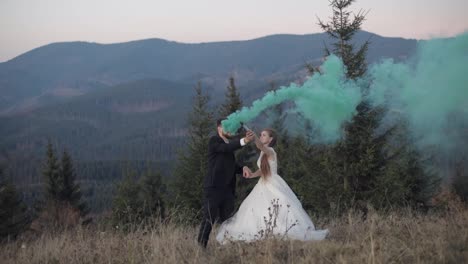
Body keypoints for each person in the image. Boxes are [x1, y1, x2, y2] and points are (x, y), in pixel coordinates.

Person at [216, 128, 329, 243]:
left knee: (279, 206)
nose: (261, 136)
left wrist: (254, 137)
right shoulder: (263, 153)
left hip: (273, 183)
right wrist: (252, 175)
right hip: (263, 182)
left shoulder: (270, 151)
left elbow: (260, 146)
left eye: (264, 135)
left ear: (271, 139)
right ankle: (263, 231)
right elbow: (263, 170)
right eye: (260, 135)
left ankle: (279, 230)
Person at [197, 118, 254, 248]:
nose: (231, 130)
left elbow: (231, 165)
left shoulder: (228, 145)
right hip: (214, 188)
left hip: (227, 190)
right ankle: (201, 246)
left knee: (227, 220)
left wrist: (242, 168)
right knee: (209, 218)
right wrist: (244, 140)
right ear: (219, 128)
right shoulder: (214, 141)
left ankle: (226, 245)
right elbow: (226, 148)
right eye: (228, 127)